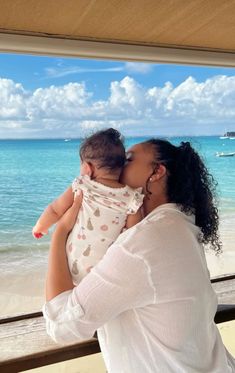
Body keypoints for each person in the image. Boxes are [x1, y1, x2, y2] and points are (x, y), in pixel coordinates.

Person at [43, 138, 235, 373]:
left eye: (129, 159)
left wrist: (60, 231)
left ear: (157, 171)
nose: (119, 164)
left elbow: (61, 325)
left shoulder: (143, 245)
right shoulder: (179, 227)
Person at [33, 128, 144, 284]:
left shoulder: (82, 186)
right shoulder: (132, 198)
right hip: (104, 274)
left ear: (88, 168)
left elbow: (55, 209)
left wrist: (40, 226)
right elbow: (132, 235)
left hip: (70, 266)